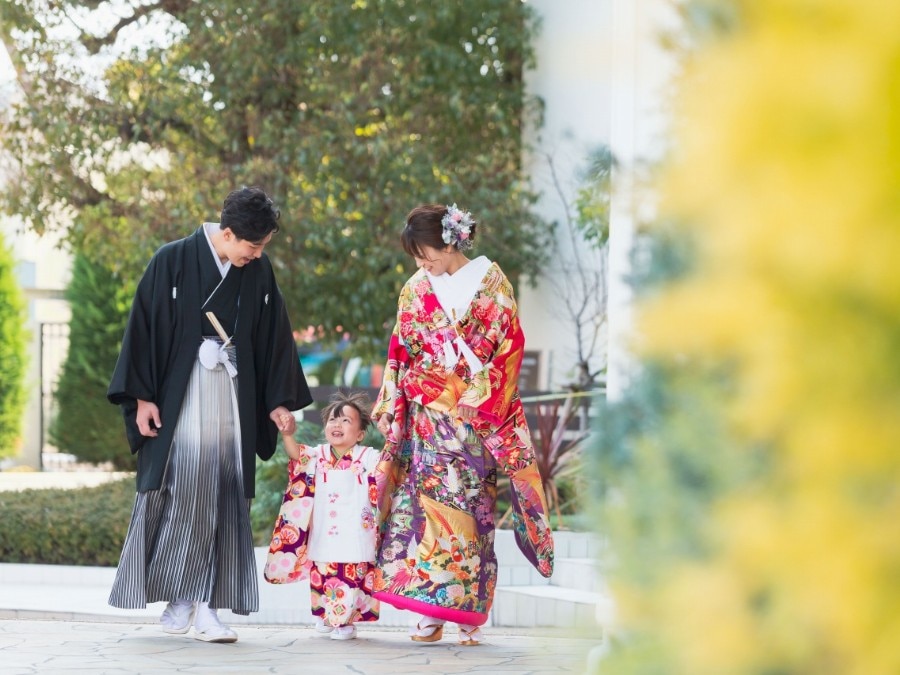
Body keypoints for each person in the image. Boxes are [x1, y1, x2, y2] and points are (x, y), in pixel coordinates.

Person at [107, 186, 313, 643]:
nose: (256, 255)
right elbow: (143, 325)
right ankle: (183, 597)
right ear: (227, 232)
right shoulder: (172, 259)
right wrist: (142, 397)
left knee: (223, 488)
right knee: (183, 487)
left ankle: (206, 606)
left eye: (262, 247)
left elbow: (273, 336)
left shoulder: (257, 271)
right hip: (181, 395)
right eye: (251, 245)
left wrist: (277, 401)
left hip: (232, 395)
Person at [371, 203, 555, 646]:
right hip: (429, 415)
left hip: (474, 418)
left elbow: (510, 344)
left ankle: (466, 612)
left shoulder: (492, 282)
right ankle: (431, 609)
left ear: (449, 241)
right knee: (429, 506)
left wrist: (479, 393)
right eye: (416, 257)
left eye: (425, 253)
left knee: (473, 509)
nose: (422, 263)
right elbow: (401, 348)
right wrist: (392, 402)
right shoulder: (416, 288)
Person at [263, 390, 381, 641]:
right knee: (323, 573)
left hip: (355, 531)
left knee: (350, 575)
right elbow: (297, 455)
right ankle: (327, 616)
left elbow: (387, 467)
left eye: (346, 420)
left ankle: (344, 621)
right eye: (332, 420)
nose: (337, 425)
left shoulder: (367, 456)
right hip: (325, 529)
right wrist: (287, 435)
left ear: (360, 434)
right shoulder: (317, 455)